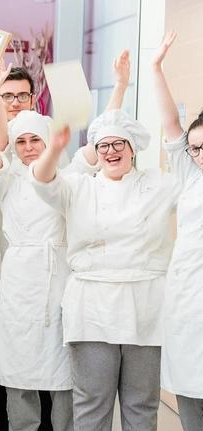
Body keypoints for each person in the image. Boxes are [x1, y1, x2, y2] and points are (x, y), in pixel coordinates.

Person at [29, 109, 177, 430]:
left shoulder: (158, 184)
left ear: (133, 147)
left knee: (142, 404)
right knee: (92, 403)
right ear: (95, 153)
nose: (110, 151)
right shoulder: (78, 187)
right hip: (92, 308)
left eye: (118, 143)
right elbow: (41, 181)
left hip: (146, 307)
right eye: (103, 146)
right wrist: (54, 148)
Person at [0, 60, 104, 431]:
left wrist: (121, 89)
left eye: (37, 140)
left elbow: (96, 147)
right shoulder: (5, 180)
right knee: (19, 373)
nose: (30, 147)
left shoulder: (68, 177)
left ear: (48, 142)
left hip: (60, 278)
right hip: (18, 281)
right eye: (22, 141)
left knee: (63, 375)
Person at [152, 31, 203, 431]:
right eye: (196, 148)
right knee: (190, 391)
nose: (199, 155)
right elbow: (171, 124)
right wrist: (156, 67)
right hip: (188, 297)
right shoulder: (189, 175)